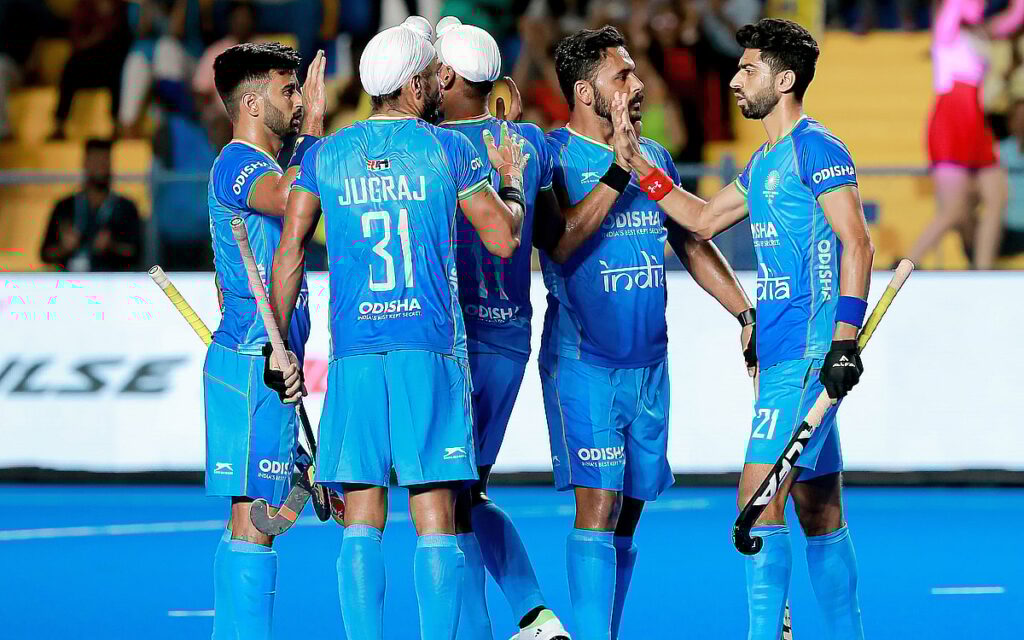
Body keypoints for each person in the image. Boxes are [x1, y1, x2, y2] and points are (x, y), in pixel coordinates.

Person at [266, 19, 528, 640]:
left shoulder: (326, 156)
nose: (438, 82)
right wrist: (512, 182)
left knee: (361, 517)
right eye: (431, 74)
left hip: (356, 352)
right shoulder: (448, 150)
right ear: (413, 85)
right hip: (428, 351)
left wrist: (280, 345)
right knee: (435, 512)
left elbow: (290, 252)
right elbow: (503, 237)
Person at [612, 18, 874, 639]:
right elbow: (702, 220)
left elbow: (857, 244)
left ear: (784, 80)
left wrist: (844, 341)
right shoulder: (762, 163)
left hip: (809, 357)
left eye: (748, 69)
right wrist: (637, 163)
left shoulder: (818, 149)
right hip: (782, 356)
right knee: (819, 510)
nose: (734, 80)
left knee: (756, 505)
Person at [542, 26, 754, 640]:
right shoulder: (552, 156)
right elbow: (560, 242)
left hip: (650, 366)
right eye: (622, 75)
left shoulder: (654, 156)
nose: (637, 85)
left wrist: (744, 313)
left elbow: (692, 241)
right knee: (599, 503)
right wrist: (618, 167)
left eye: (634, 73)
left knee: (629, 513)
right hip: (584, 363)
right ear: (586, 93)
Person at [433, 17, 570, 640]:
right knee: (467, 491)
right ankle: (535, 617)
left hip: (452, 341)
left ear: (447, 76)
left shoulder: (429, 146)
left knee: (447, 500)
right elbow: (552, 233)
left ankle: (521, 620)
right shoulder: (528, 142)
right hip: (511, 333)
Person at [203, 42, 325, 639]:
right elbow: (289, 198)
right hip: (256, 359)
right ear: (251, 103)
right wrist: (317, 135)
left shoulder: (264, 164)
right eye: (288, 90)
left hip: (268, 359)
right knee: (255, 521)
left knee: (257, 519)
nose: (299, 100)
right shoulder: (239, 162)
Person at [908, 0, 1024, 269]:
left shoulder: (981, 32)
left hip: (975, 118)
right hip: (952, 118)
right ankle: (906, 264)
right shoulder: (946, 30)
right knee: (953, 210)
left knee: (996, 197)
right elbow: (957, 5)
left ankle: (982, 270)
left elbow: (1016, 15)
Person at [40, 139, 141, 271]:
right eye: (95, 161)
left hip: (110, 279)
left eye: (104, 161)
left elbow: (136, 254)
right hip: (71, 279)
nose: (100, 167)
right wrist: (64, 248)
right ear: (85, 163)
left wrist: (112, 246)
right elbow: (45, 255)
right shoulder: (64, 206)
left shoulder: (126, 207)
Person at [50, 0, 132, 140]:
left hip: (113, 63)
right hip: (89, 63)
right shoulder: (84, 6)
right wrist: (97, 38)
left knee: (119, 69)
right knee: (71, 66)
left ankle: (117, 125)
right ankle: (59, 124)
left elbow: (126, 40)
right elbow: (76, 40)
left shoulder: (122, 7)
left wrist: (100, 36)